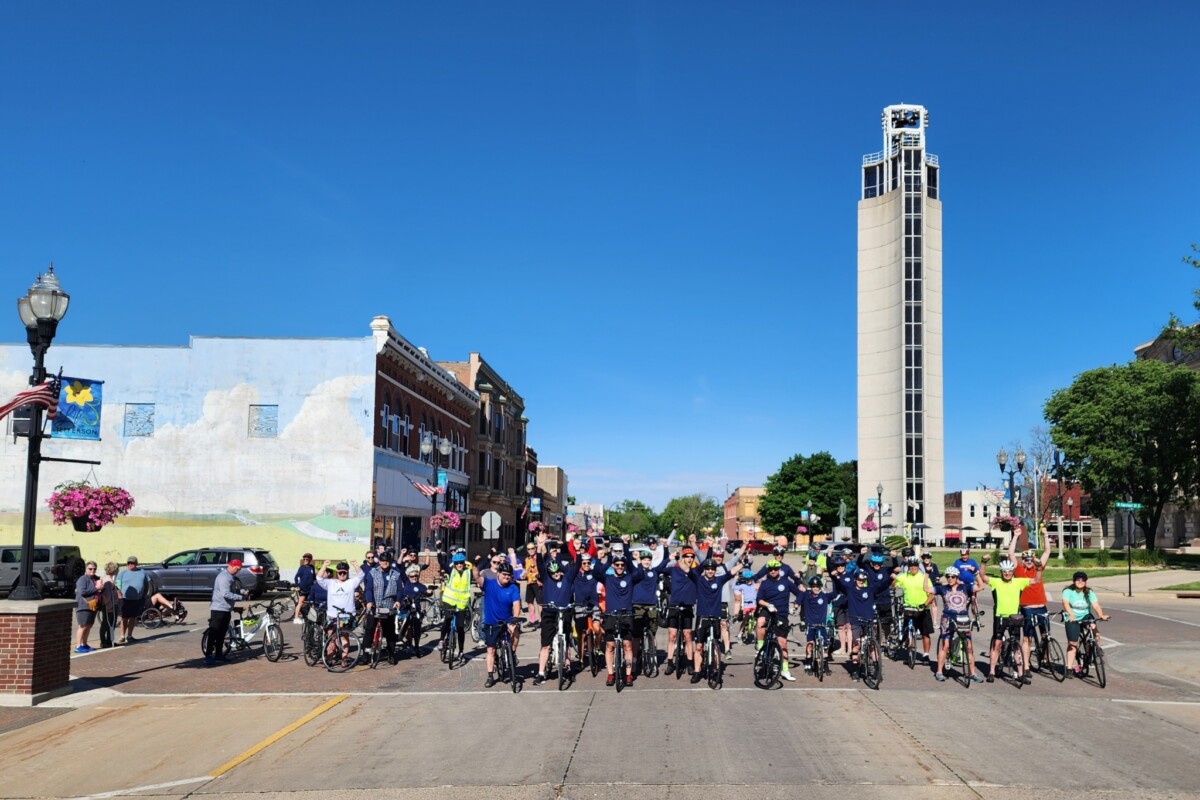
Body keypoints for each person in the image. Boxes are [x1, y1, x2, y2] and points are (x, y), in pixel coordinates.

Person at [533, 534, 582, 685]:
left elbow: (577, 565)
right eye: (552, 573)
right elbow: (540, 563)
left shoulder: (567, 577)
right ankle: (541, 672)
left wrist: (578, 550)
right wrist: (540, 547)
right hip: (549, 612)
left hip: (564, 611)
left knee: (565, 641)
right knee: (545, 644)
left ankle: (567, 667)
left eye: (557, 573)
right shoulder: (546, 577)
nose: (555, 575)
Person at [979, 558, 1036, 683]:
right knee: (997, 644)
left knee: (1016, 645)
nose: (1007, 573)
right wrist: (983, 563)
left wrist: (1038, 567)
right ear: (1001, 572)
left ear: (1012, 572)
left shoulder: (1018, 582)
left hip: (1014, 617)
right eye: (1004, 571)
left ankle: (1021, 674)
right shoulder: (996, 581)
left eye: (1009, 571)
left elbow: (1036, 580)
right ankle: (991, 672)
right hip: (1000, 616)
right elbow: (982, 576)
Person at [595, 554, 645, 686]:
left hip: (626, 615)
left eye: (622, 565)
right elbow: (596, 573)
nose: (620, 567)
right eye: (617, 565)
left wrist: (635, 560)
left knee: (627, 645)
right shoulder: (608, 578)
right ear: (613, 565)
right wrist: (607, 560)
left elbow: (640, 574)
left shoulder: (629, 578)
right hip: (611, 615)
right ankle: (611, 674)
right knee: (610, 645)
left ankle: (628, 675)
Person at [685, 557, 735, 683]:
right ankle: (697, 672)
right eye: (708, 568)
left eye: (712, 569)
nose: (710, 571)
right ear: (704, 570)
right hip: (702, 617)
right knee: (699, 647)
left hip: (716, 617)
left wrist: (743, 562)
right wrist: (682, 559)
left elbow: (731, 572)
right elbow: (687, 569)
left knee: (716, 644)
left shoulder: (719, 580)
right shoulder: (699, 579)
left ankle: (716, 668)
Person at [932, 566, 983, 683]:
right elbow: (926, 589)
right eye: (948, 577)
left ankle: (973, 673)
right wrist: (927, 574)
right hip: (947, 617)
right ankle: (939, 671)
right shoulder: (943, 588)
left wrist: (976, 574)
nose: (950, 579)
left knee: (969, 647)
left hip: (963, 618)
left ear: (957, 577)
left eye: (953, 577)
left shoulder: (965, 587)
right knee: (945, 645)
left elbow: (981, 587)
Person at [755, 558, 803, 681]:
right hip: (768, 610)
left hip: (781, 614)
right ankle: (760, 648)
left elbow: (800, 593)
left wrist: (795, 605)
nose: (773, 571)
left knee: (783, 644)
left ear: (779, 569)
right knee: (760, 622)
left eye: (775, 569)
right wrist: (767, 605)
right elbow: (759, 599)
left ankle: (785, 670)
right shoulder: (764, 583)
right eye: (770, 569)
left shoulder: (786, 582)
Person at [1008, 541, 1052, 675]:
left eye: (1030, 559)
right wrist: (1016, 536)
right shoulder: (1019, 570)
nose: (1028, 561)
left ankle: (1045, 658)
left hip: (1041, 607)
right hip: (1027, 608)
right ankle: (1026, 666)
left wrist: (1045, 535)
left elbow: (1047, 552)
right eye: (1026, 559)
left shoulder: (1038, 568)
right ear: (1022, 560)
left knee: (1046, 636)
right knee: (1028, 638)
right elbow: (1010, 554)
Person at [1061, 571, 1110, 677]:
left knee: (1094, 628)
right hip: (1072, 618)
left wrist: (1101, 615)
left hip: (1085, 616)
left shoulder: (1089, 592)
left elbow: (1096, 605)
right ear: (1074, 581)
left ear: (1086, 582)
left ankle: (1094, 647)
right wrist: (1071, 614)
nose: (1080, 582)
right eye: (1078, 580)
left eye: (1083, 580)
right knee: (1073, 643)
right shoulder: (1068, 591)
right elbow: (1065, 603)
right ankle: (1069, 668)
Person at [482, 561, 522, 688]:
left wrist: (514, 620)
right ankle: (489, 675)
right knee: (491, 649)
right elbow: (477, 577)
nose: (506, 577)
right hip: (492, 623)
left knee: (515, 632)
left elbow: (516, 604)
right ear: (498, 574)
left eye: (509, 575)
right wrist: (476, 566)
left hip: (507, 620)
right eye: (504, 574)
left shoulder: (513, 587)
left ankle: (513, 653)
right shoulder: (489, 584)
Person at [317, 560, 365, 667]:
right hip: (333, 615)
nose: (342, 575)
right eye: (340, 573)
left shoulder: (351, 582)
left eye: (344, 573)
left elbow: (361, 575)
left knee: (344, 637)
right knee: (331, 638)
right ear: (337, 573)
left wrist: (355, 565)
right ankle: (329, 659)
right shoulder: (331, 583)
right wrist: (324, 566)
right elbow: (319, 578)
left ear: (347, 573)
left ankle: (344, 658)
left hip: (346, 616)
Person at [205, 559, 248, 665]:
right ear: (231, 566)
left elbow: (233, 589)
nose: (237, 571)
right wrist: (240, 597)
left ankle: (219, 654)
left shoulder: (230, 577)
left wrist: (242, 591)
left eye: (239, 570)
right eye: (237, 569)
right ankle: (208, 655)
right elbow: (226, 594)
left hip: (226, 608)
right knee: (214, 632)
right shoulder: (224, 577)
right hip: (219, 608)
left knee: (222, 633)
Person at [362, 551, 401, 664]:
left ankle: (391, 654)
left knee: (390, 632)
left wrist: (398, 600)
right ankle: (365, 656)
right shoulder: (372, 573)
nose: (384, 563)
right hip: (375, 605)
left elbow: (400, 590)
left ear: (390, 562)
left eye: (387, 561)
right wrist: (369, 601)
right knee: (369, 631)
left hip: (389, 606)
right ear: (379, 561)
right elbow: (368, 588)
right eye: (382, 561)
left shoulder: (396, 574)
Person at [892, 557, 935, 662]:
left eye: (915, 566)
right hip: (908, 608)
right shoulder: (903, 576)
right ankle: (909, 652)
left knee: (925, 633)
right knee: (906, 632)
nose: (913, 568)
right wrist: (895, 578)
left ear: (918, 567)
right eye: (911, 566)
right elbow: (893, 586)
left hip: (922, 609)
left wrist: (925, 604)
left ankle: (925, 655)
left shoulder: (924, 577)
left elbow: (932, 594)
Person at [664, 547, 698, 676]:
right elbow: (658, 569)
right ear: (682, 558)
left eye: (691, 557)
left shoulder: (694, 571)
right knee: (672, 635)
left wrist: (709, 547)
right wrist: (669, 558)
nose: (689, 559)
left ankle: (690, 663)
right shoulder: (674, 569)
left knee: (688, 636)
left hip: (688, 606)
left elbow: (706, 560)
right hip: (674, 605)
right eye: (687, 556)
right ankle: (670, 663)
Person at [631, 548, 665, 672]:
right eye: (644, 559)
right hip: (637, 605)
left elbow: (662, 565)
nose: (646, 561)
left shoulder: (654, 572)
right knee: (636, 636)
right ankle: (634, 659)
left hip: (651, 604)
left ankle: (652, 654)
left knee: (652, 631)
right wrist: (637, 561)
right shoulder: (636, 572)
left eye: (648, 560)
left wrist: (666, 551)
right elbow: (635, 572)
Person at [795, 575, 838, 674]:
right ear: (810, 586)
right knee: (810, 644)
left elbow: (836, 593)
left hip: (822, 625)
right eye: (813, 586)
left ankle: (825, 665)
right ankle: (808, 664)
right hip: (810, 624)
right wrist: (795, 606)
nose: (815, 588)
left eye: (817, 586)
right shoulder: (806, 595)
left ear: (820, 587)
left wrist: (835, 579)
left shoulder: (824, 596)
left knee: (826, 647)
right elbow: (799, 597)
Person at [841, 569, 878, 682]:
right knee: (856, 645)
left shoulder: (869, 590)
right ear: (855, 579)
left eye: (863, 580)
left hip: (868, 620)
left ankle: (876, 667)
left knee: (872, 645)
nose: (861, 581)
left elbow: (883, 584)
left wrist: (892, 576)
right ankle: (855, 670)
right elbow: (839, 583)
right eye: (859, 579)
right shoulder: (850, 590)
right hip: (856, 620)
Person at [437, 552, 472, 661]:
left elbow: (480, 567)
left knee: (461, 628)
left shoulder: (468, 573)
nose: (459, 565)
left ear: (464, 563)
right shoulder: (451, 571)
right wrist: (438, 551)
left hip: (461, 603)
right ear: (454, 564)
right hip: (448, 601)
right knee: (447, 619)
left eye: (461, 563)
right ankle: (442, 640)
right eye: (457, 563)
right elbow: (442, 563)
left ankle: (461, 651)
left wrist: (490, 555)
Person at [397, 563, 432, 656]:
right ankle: (407, 643)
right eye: (412, 576)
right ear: (408, 576)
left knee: (417, 628)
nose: (414, 577)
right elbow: (400, 569)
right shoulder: (406, 581)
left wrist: (429, 592)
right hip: (405, 608)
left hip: (416, 609)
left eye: (416, 575)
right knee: (406, 626)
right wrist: (403, 559)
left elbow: (427, 593)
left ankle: (416, 645)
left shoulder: (421, 586)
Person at [116, 556, 150, 645]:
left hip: (138, 599)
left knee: (133, 618)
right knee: (124, 618)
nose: (131, 565)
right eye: (129, 563)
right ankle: (122, 636)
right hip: (125, 599)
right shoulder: (122, 573)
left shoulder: (143, 572)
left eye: (133, 563)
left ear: (136, 564)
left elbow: (147, 584)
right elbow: (117, 585)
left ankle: (130, 636)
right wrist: (119, 595)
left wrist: (145, 595)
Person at [74, 561, 100, 653]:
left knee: (89, 626)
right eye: (90, 569)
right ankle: (78, 646)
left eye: (94, 569)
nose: (92, 570)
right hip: (83, 606)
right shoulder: (82, 579)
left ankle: (84, 644)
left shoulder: (94, 579)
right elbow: (82, 591)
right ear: (86, 569)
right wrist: (96, 588)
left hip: (92, 605)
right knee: (82, 626)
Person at [98, 562, 121, 649]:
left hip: (109, 605)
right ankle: (104, 642)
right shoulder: (108, 581)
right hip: (109, 606)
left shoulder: (107, 579)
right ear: (114, 570)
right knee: (107, 623)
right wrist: (110, 606)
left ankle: (109, 640)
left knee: (108, 623)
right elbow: (107, 596)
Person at [293, 553, 316, 624]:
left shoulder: (312, 567)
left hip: (310, 588)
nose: (305, 560)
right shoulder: (302, 568)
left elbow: (314, 577)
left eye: (307, 559)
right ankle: (296, 618)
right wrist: (297, 585)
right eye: (304, 559)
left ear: (310, 560)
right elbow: (296, 577)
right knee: (300, 603)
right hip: (303, 588)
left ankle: (308, 617)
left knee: (311, 603)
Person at [523, 542, 541, 627]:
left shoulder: (539, 558)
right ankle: (532, 620)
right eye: (529, 549)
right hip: (529, 582)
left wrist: (537, 575)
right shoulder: (527, 559)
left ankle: (541, 620)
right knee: (529, 602)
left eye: (532, 548)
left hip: (537, 582)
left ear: (535, 549)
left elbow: (542, 569)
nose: (530, 550)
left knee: (539, 602)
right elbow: (526, 571)